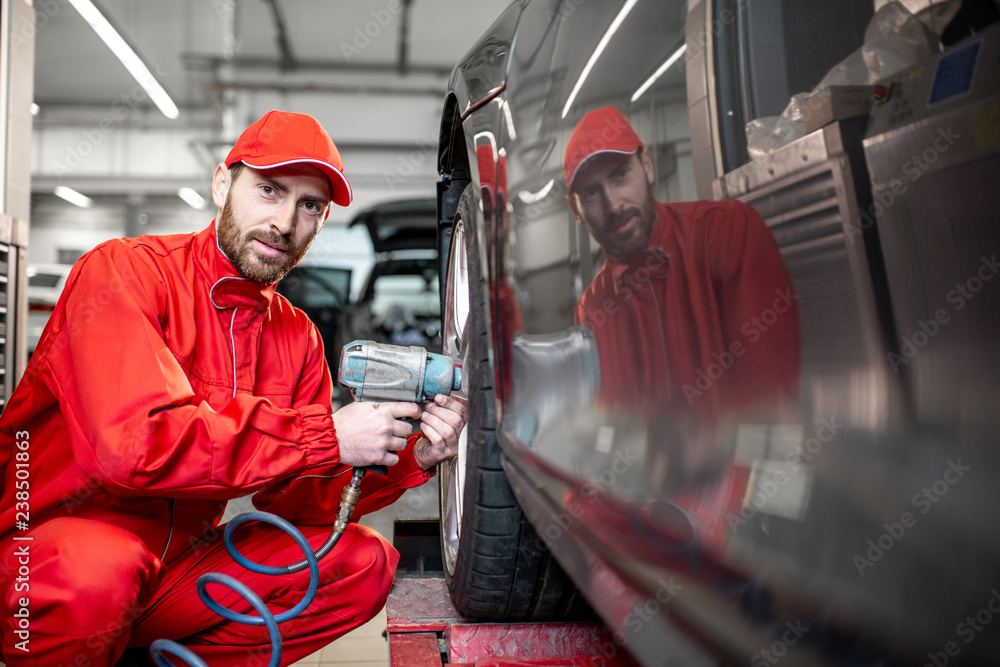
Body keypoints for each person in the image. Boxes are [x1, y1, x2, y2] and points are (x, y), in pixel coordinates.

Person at [0, 110, 467, 666]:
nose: (285, 222)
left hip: (175, 572)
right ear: (222, 183)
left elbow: (301, 502)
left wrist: (411, 453)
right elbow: (135, 447)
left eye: (310, 206)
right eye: (269, 190)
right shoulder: (122, 274)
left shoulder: (296, 336)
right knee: (100, 569)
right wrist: (325, 435)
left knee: (359, 563)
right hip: (44, 565)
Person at [566, 107, 799, 528]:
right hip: (669, 512)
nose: (614, 204)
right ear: (577, 210)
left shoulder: (727, 232)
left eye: (621, 175)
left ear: (648, 164)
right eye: (592, 193)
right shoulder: (594, 307)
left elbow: (775, 404)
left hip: (762, 501)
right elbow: (620, 426)